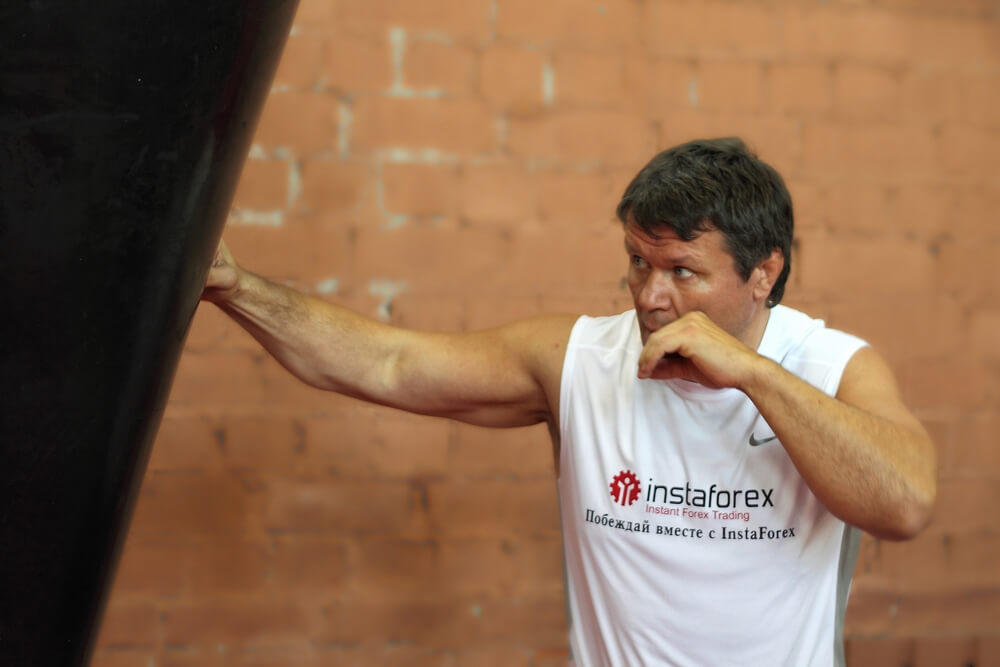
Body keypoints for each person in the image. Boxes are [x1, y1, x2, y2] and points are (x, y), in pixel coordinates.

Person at [202, 137, 936, 666]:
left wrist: (755, 376)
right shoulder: (581, 360)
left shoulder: (829, 365)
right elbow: (388, 365)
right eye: (638, 262)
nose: (650, 296)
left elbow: (904, 503)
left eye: (683, 271)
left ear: (763, 274)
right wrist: (238, 288)